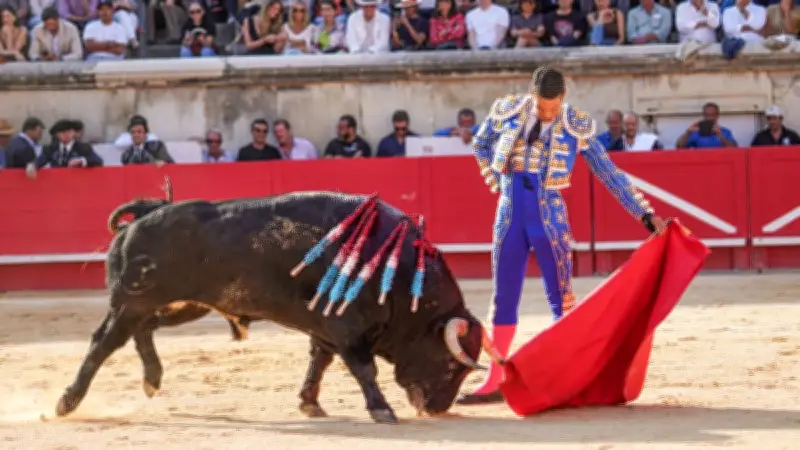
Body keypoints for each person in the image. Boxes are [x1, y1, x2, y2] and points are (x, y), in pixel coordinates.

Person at [457, 66, 667, 405]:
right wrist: (495, 181)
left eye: (553, 106)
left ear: (563, 98)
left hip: (548, 215)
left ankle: (570, 378)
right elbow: (480, 144)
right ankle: (496, 379)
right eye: (542, 105)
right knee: (503, 297)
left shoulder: (576, 124)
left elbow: (607, 171)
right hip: (509, 212)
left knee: (562, 299)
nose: (547, 112)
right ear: (531, 94)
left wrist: (642, 212)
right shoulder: (508, 109)